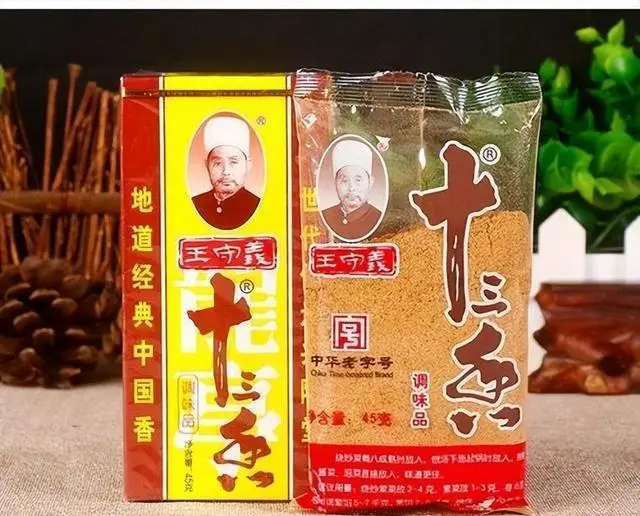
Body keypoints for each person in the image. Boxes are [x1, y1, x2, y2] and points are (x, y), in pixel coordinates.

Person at [191, 116, 260, 230]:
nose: (226, 172)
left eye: (234, 162)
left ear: (248, 165)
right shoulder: (195, 204)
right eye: (217, 163)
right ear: (207, 165)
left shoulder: (258, 206)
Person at [321, 139, 382, 241]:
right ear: (335, 182)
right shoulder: (325, 216)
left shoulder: (378, 217)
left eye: (358, 180)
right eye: (344, 180)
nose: (351, 188)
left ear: (370, 182)